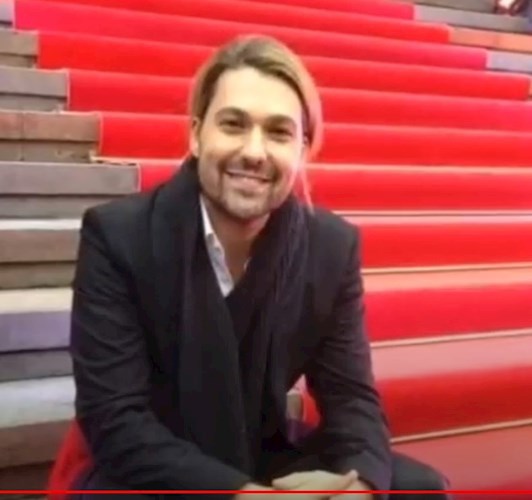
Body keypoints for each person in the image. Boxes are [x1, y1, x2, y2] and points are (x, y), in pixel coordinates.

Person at [52, 34, 451, 499]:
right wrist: (248, 496)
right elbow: (116, 421)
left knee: (417, 489)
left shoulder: (331, 247)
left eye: (279, 132)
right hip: (154, 466)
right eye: (233, 125)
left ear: (303, 148)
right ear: (196, 135)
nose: (254, 151)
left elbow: (351, 397)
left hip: (261, 450)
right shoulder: (118, 236)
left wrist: (358, 485)